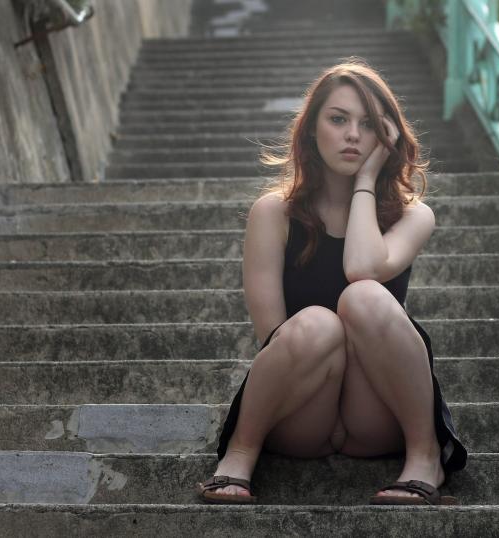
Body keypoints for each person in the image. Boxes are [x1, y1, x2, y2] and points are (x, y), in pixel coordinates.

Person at [195, 59, 467, 506]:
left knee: (363, 296)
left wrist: (365, 181)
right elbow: (274, 341)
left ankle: (424, 456)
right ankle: (240, 453)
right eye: (338, 119)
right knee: (318, 323)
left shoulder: (413, 215)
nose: (353, 135)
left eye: (368, 124)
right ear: (310, 130)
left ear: (387, 138)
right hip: (302, 409)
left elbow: (361, 268)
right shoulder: (273, 214)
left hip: (376, 413)